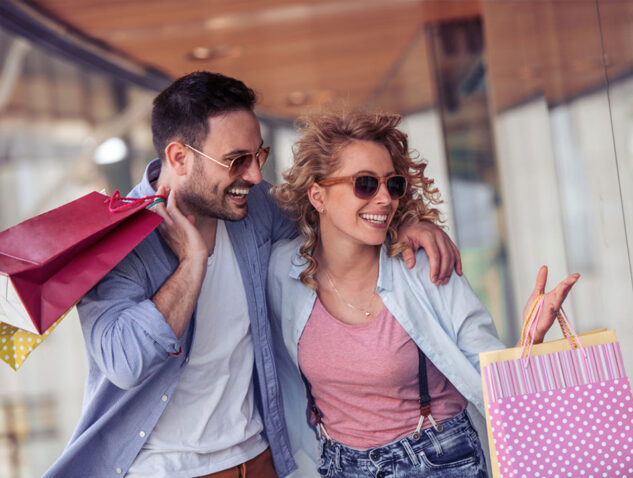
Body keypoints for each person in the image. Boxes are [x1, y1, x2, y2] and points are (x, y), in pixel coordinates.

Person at [44, 72, 461, 478]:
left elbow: (336, 224)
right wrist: (193, 262)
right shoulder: (117, 243)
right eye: (236, 160)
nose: (255, 175)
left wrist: (402, 224)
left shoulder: (253, 205)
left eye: (258, 155)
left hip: (260, 460)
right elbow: (125, 362)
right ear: (178, 157)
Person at [267, 111, 580, 477]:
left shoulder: (424, 266)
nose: (385, 199)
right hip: (339, 465)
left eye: (393, 185)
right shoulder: (283, 272)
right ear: (317, 195)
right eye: (365, 184)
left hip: (438, 460)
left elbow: (487, 366)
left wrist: (531, 338)